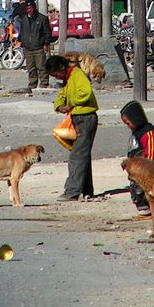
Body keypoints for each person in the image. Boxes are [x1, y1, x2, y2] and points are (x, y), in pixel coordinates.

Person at [48, 54, 98, 201]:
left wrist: (72, 103)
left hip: (86, 118)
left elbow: (86, 92)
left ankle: (73, 191)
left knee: (77, 156)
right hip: (77, 118)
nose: (56, 77)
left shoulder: (77, 74)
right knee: (83, 155)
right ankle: (86, 190)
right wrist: (59, 106)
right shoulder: (67, 78)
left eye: (56, 74)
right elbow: (62, 94)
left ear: (62, 67)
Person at [120, 100, 154, 216]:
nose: (128, 127)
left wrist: (146, 170)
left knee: (145, 191)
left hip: (147, 172)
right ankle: (145, 210)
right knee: (136, 190)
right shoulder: (137, 132)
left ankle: (151, 211)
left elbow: (152, 155)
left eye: (128, 123)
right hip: (137, 172)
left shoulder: (149, 134)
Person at [17, 0, 53, 90]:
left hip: (39, 47)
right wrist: (21, 41)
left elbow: (47, 33)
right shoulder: (24, 19)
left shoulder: (42, 19)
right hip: (27, 48)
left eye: (31, 8)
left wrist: (46, 44)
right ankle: (32, 84)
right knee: (31, 68)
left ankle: (44, 83)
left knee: (41, 66)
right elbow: (22, 32)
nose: (29, 10)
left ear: (34, 8)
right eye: (28, 8)